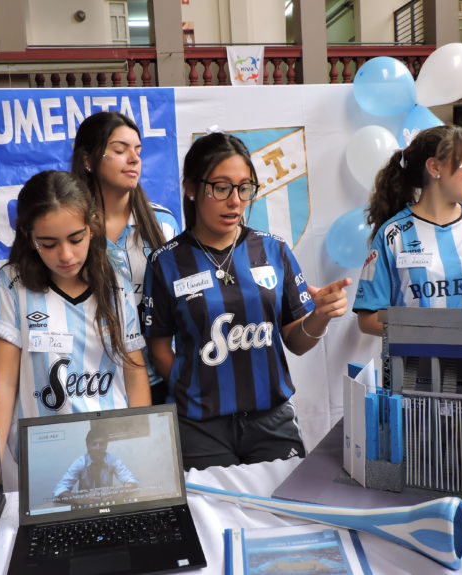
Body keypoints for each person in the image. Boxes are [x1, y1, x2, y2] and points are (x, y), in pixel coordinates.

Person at [142, 132, 350, 470]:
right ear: (191, 189)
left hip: (272, 422)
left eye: (244, 188)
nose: (235, 201)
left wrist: (320, 317)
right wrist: (190, 386)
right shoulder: (165, 261)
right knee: (208, 520)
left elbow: (295, 341)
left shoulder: (273, 250)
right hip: (199, 428)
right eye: (221, 187)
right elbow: (159, 345)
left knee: (285, 515)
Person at [0, 170, 151, 458]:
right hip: (44, 455)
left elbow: (134, 371)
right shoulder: (12, 285)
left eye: (75, 239)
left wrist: (144, 448)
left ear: (92, 226)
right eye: (48, 244)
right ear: (27, 235)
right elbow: (3, 383)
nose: (65, 255)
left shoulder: (115, 279)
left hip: (114, 447)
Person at [354, 125, 462, 336]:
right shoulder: (393, 235)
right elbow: (368, 319)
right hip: (417, 367)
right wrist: (433, 334)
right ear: (434, 167)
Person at [71, 111, 180, 405]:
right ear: (87, 160)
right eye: (120, 150)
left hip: (158, 380)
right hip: (89, 386)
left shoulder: (163, 223)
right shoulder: (69, 228)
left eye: (138, 151)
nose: (134, 159)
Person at [52, 427, 137, 502]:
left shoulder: (112, 460)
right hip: (85, 509)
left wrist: (118, 494)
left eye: (102, 444)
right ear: (88, 446)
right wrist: (80, 498)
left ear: (106, 445)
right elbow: (59, 491)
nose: (98, 448)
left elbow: (132, 482)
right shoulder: (80, 463)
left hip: (108, 504)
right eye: (94, 444)